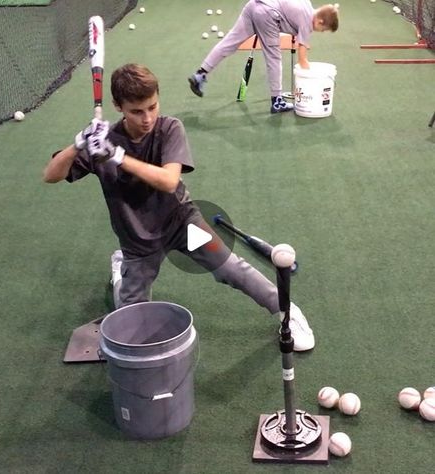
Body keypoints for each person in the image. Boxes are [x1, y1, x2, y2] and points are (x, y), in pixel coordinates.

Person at [43, 63, 314, 351]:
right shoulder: (101, 140)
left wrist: (118, 157)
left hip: (183, 226)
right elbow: (51, 176)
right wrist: (76, 146)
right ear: (118, 106)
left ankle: (288, 311)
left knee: (231, 268)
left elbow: (169, 181)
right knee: (129, 322)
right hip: (137, 244)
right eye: (137, 111)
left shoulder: (169, 128)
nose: (147, 118)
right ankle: (122, 270)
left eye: (152, 106)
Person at [188, 1, 339, 113]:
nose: (321, 31)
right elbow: (302, 59)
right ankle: (277, 101)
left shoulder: (306, 3)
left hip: (254, 5)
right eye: (323, 29)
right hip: (268, 14)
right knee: (274, 57)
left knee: (229, 41)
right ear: (320, 21)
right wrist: (314, 77)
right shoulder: (308, 21)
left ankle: (200, 74)